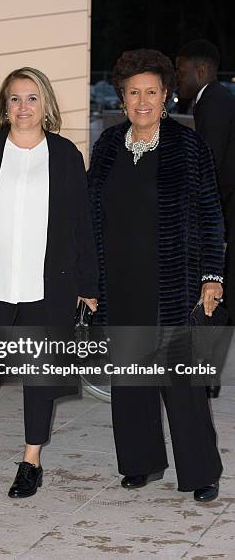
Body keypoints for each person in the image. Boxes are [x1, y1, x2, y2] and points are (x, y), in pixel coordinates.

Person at [0, 67, 98, 498]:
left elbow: (81, 225)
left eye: (31, 98)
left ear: (45, 103)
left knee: (40, 374)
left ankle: (31, 461)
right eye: (14, 99)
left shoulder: (66, 154)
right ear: (4, 106)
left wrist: (87, 283)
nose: (23, 107)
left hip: (47, 284)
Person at [88, 49, 224, 502]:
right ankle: (141, 463)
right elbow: (89, 216)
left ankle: (201, 472)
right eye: (132, 92)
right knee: (129, 380)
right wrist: (88, 282)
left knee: (182, 384)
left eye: (150, 91)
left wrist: (212, 276)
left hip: (174, 282)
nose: (141, 101)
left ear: (165, 95)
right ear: (122, 98)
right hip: (120, 281)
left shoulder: (187, 146)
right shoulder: (107, 146)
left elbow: (210, 213)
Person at [176, 39, 235, 398]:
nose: (178, 81)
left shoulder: (213, 103)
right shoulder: (218, 99)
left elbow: (209, 167)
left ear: (201, 71)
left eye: (181, 73)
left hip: (225, 216)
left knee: (216, 293)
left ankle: (206, 377)